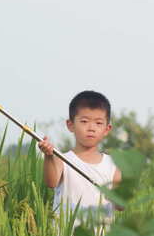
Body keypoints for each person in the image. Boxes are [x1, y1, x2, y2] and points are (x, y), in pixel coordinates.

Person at [38, 90, 122, 228]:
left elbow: (121, 206)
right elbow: (51, 182)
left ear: (107, 129)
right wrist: (49, 156)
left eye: (98, 123)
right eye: (84, 121)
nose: (91, 128)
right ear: (70, 125)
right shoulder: (61, 159)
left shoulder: (114, 165)